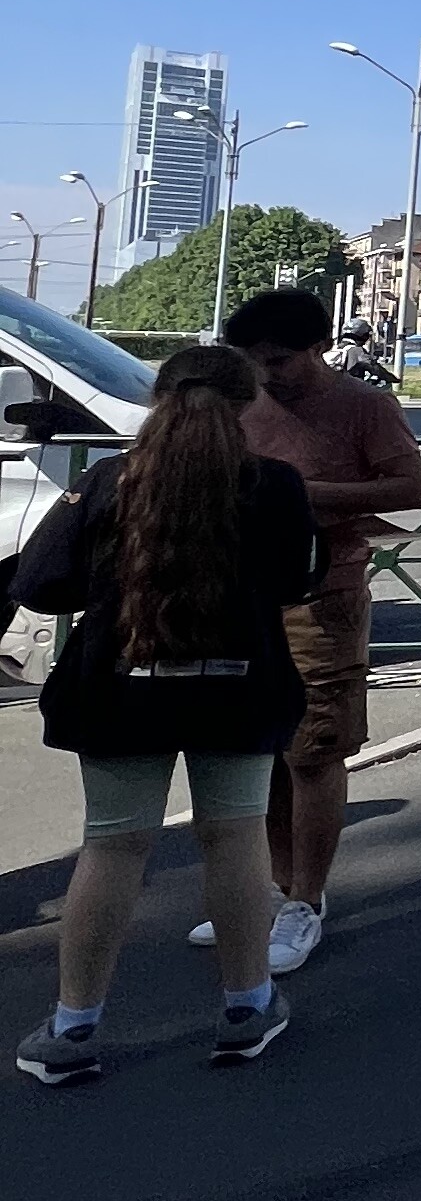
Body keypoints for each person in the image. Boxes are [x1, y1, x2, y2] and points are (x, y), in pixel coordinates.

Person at [15, 342, 319, 1085]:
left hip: (119, 689)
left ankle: (73, 1028)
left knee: (113, 847)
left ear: (159, 400)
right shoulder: (275, 485)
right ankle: (248, 1007)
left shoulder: (108, 481)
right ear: (248, 405)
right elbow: (295, 582)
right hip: (239, 690)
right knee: (235, 838)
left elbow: (41, 582)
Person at [212, 287, 421, 974]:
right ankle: (275, 888)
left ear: (320, 348)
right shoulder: (236, 401)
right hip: (238, 597)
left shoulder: (366, 406)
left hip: (321, 595)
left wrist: (299, 495)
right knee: (255, 749)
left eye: (278, 360)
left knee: (312, 750)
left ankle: (306, 899)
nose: (265, 374)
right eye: (252, 361)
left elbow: (411, 489)